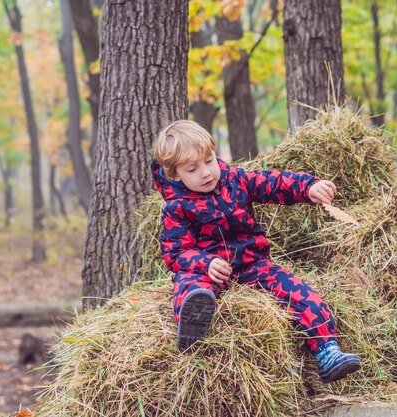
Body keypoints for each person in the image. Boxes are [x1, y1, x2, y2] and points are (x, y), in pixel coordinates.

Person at [151, 119, 360, 384]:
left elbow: (272, 183)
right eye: (193, 169)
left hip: (252, 264)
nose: (206, 173)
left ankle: (328, 351)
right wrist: (205, 263)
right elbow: (176, 253)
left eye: (209, 160)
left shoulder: (235, 180)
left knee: (300, 293)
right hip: (210, 271)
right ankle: (191, 328)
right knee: (190, 286)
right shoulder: (176, 207)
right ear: (175, 175)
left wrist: (308, 187)